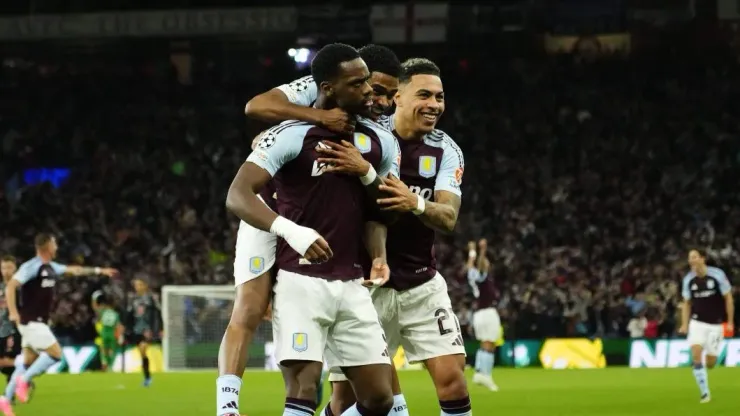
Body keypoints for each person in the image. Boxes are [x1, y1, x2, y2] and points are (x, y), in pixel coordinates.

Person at [216, 44, 402, 416]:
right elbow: (255, 109)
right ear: (331, 86)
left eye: (381, 90)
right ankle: (227, 407)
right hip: (270, 207)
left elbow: (382, 210)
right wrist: (290, 230)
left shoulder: (380, 137)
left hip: (339, 267)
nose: (373, 95)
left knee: (379, 398)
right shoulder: (299, 112)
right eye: (366, 85)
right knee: (251, 306)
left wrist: (378, 252)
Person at [325, 58, 471, 416]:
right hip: (368, 284)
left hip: (422, 282)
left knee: (453, 379)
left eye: (439, 96)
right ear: (397, 97)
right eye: (424, 94)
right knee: (349, 400)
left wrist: (415, 202)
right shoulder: (369, 137)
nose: (434, 104)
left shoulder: (446, 151)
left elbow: (448, 217)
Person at [0, 234, 117, 416]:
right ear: (47, 246)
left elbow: (74, 270)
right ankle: (25, 380)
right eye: (54, 244)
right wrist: (14, 312)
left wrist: (98, 270)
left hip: (37, 322)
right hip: (32, 322)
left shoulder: (51, 267)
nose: (57, 247)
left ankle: (6, 399)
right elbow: (11, 286)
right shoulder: (31, 266)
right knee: (56, 354)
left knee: (26, 362)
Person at [678, 249, 734, 404]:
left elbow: (728, 298)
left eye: (695, 257)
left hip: (715, 324)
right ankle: (704, 393)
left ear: (703, 259)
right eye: (690, 258)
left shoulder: (717, 275)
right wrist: (684, 324)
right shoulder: (688, 280)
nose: (692, 261)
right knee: (696, 355)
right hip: (697, 322)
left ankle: (707, 369)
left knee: (710, 363)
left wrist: (730, 321)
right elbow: (686, 303)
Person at [468, 239, 500, 392]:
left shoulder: (473, 276)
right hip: (487, 312)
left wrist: (472, 252)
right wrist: (483, 250)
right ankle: (485, 375)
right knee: (489, 343)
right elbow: (479, 265)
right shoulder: (482, 277)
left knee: (485, 343)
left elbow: (470, 265)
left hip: (479, 314)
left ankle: (480, 372)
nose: (487, 263)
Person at [127, 277, 161, 387]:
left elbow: (158, 313)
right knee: (142, 354)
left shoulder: (151, 298)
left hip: (148, 330)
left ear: (145, 285)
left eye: (140, 284)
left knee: (143, 349)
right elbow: (129, 314)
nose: (138, 287)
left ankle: (147, 378)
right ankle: (147, 377)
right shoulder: (133, 299)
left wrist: (160, 328)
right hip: (137, 329)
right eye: (136, 285)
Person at [92, 290, 123, 372]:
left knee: (105, 349)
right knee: (112, 350)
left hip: (105, 332)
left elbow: (95, 308)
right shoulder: (115, 313)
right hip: (111, 332)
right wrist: (120, 336)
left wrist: (94, 298)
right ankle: (110, 365)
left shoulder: (103, 311)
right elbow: (118, 325)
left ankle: (105, 363)